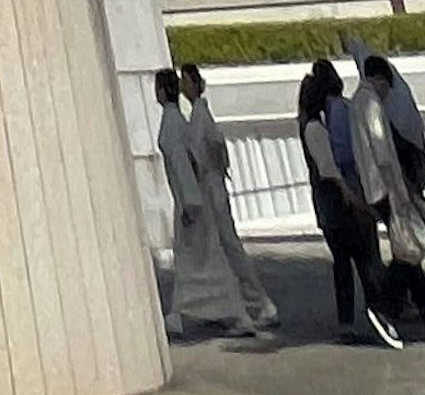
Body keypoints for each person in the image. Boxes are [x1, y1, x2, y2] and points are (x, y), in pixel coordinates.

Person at [156, 64, 277, 343]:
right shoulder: (190, 118)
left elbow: (190, 163)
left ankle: (245, 309)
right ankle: (186, 312)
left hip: (202, 199)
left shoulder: (186, 120)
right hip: (203, 196)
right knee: (206, 259)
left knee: (217, 255)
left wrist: (191, 202)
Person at [355, 49, 425, 345]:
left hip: (373, 189)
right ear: (380, 79)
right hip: (388, 189)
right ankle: (386, 307)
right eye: (386, 87)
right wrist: (399, 192)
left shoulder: (356, 102)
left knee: (410, 250)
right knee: (410, 251)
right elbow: (382, 152)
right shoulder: (370, 103)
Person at [297, 55, 392, 346]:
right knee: (365, 258)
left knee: (344, 262)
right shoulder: (327, 122)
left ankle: (350, 320)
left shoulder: (312, 125)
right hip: (342, 200)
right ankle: (378, 313)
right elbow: (331, 168)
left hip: (329, 205)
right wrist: (352, 195)